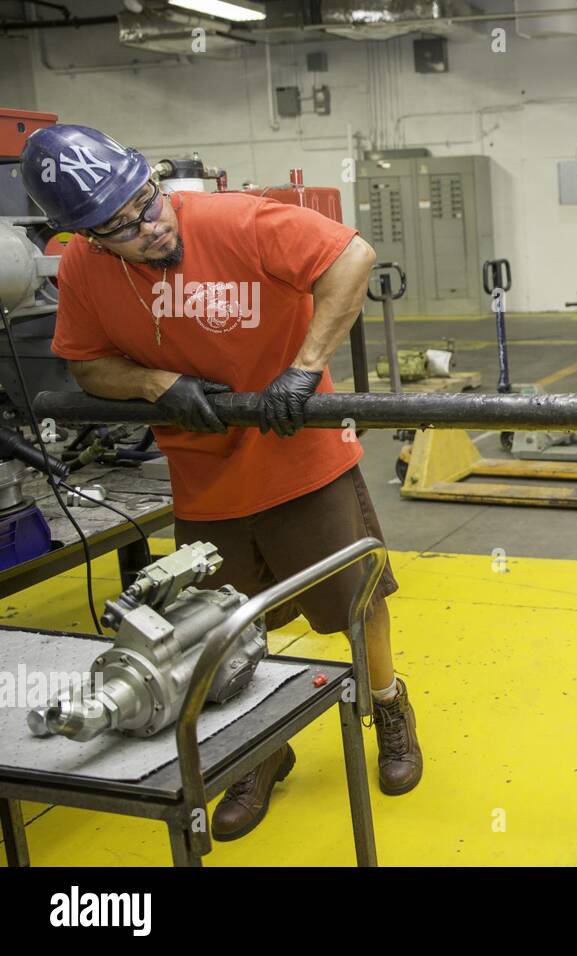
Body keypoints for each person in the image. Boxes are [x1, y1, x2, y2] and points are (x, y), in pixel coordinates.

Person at [21, 124, 423, 841]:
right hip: (204, 471)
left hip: (302, 457)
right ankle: (260, 749)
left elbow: (351, 256)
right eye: (121, 225)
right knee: (221, 630)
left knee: (355, 603)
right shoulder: (85, 271)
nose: (151, 225)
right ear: (80, 236)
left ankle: (388, 705)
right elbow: (84, 364)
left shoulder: (234, 219)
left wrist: (304, 367)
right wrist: (152, 382)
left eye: (148, 201)